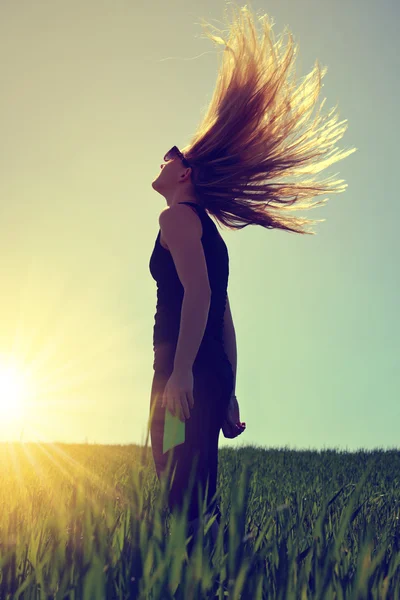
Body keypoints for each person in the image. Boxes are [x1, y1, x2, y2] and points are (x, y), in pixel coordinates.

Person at [146, 1, 356, 555]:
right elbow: (226, 320)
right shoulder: (208, 232)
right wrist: (228, 392)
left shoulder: (176, 218)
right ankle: (205, 575)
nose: (161, 162)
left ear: (184, 174)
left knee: (174, 480)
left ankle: (185, 579)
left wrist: (182, 374)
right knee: (195, 485)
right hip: (206, 374)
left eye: (169, 157)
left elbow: (199, 295)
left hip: (182, 371)